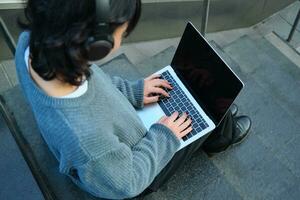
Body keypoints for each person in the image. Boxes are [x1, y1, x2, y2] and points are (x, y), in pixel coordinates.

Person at [15, 0, 251, 199]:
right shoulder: (88, 142)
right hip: (132, 168)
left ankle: (219, 123)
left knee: (196, 97)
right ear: (97, 45)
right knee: (208, 109)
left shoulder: (34, 42)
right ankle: (221, 136)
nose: (124, 36)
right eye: (123, 32)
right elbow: (128, 182)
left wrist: (132, 91)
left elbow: (92, 86)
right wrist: (163, 136)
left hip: (112, 137)